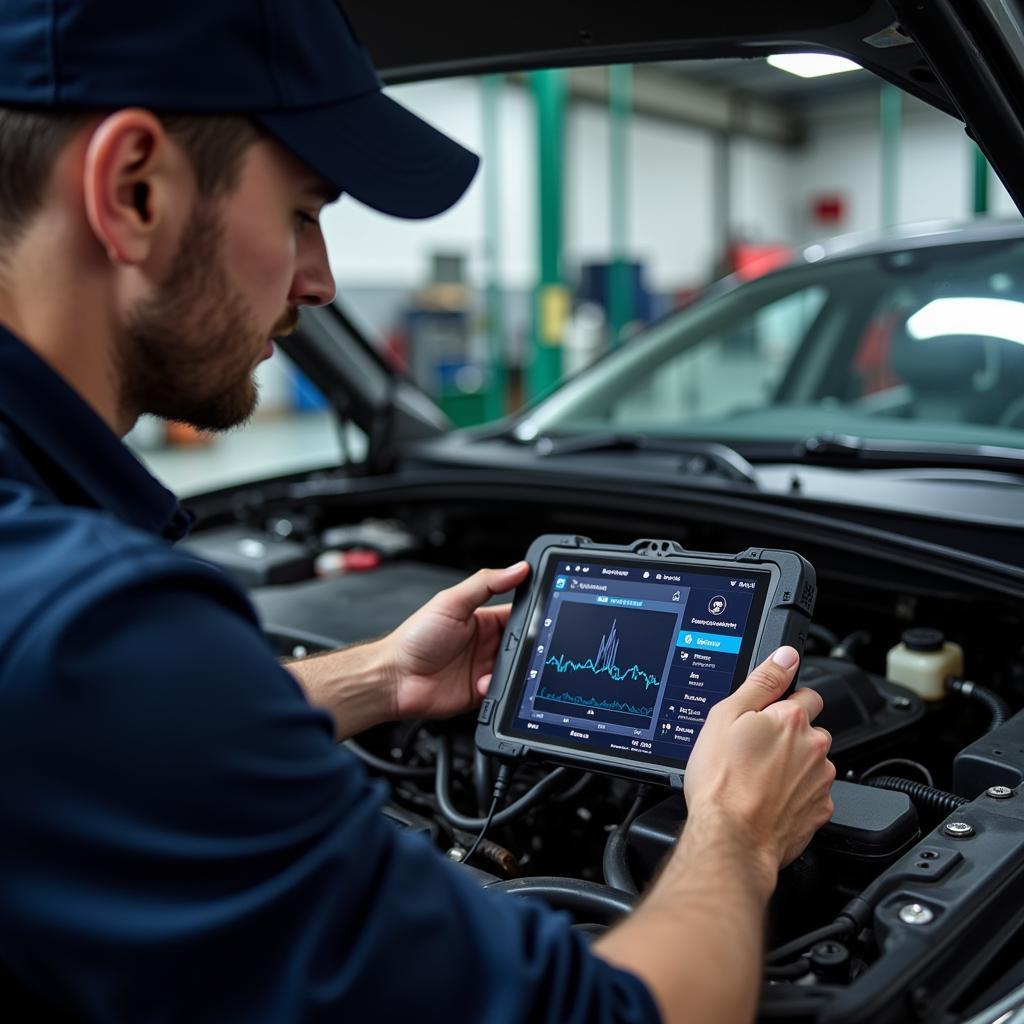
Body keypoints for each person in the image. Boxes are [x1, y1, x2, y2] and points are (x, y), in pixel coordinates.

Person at [0, 2, 835, 1021]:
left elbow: (109, 748)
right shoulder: (81, 625)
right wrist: (737, 833)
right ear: (134, 188)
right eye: (304, 211)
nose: (322, 278)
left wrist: (382, 674)